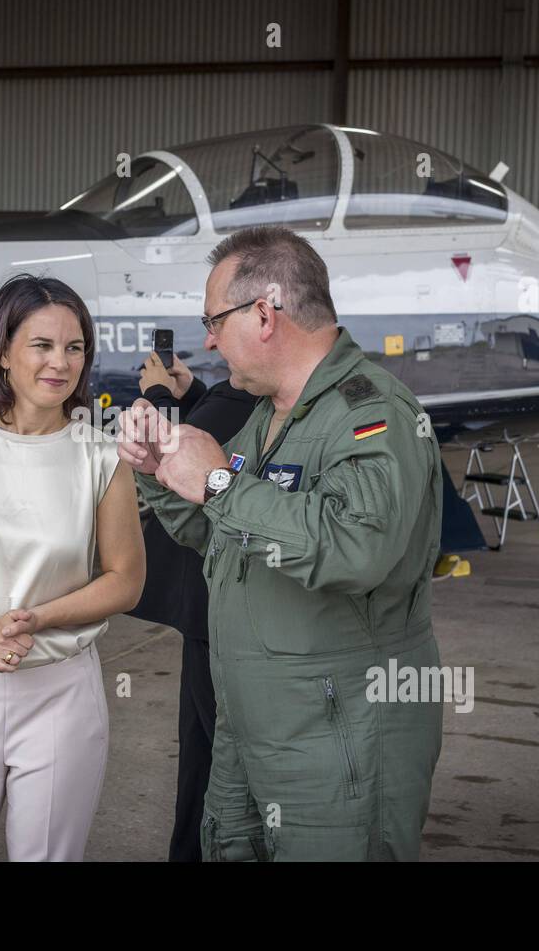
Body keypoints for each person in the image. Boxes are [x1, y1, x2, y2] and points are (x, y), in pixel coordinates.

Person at [118, 226, 444, 861]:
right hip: (249, 725)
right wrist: (160, 472)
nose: (209, 341)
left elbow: (356, 547)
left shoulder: (370, 414)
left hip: (336, 739)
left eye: (215, 321)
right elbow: (222, 534)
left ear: (264, 314)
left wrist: (218, 482)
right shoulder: (271, 417)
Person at [0, 273, 145, 861]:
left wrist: (37, 619)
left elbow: (126, 580)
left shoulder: (102, 455)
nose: (60, 362)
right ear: (4, 352)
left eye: (74, 347)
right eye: (42, 345)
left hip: (61, 694)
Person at [128, 350, 256, 861]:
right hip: (211, 607)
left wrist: (158, 394)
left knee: (210, 752)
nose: (211, 341)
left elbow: (186, 446)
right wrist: (192, 393)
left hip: (212, 611)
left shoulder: (255, 395)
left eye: (216, 323)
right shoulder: (243, 394)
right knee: (204, 747)